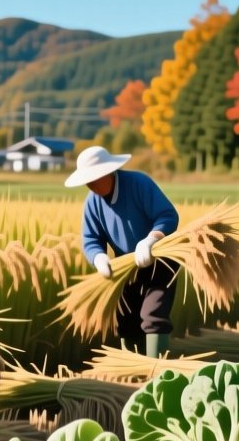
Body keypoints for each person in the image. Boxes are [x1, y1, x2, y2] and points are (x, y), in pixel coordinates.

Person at [65, 145, 180, 357]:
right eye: (87, 181)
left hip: (161, 261)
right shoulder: (92, 203)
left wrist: (150, 241)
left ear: (108, 172)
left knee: (153, 315)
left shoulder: (139, 184)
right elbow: (91, 239)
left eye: (94, 179)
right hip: (127, 267)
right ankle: (133, 371)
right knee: (125, 320)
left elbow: (168, 215)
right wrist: (98, 257)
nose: (90, 185)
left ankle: (156, 370)